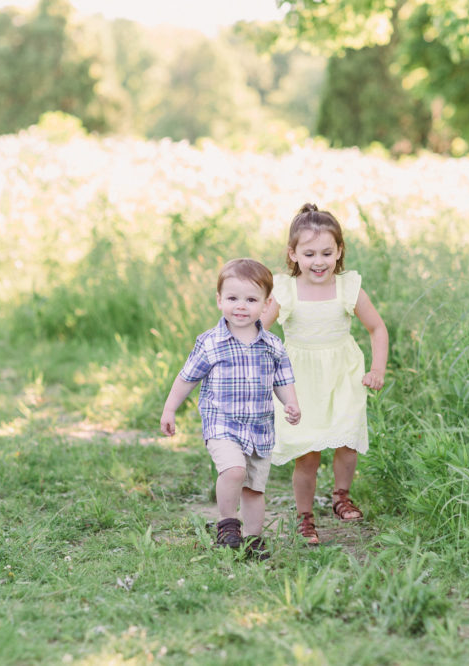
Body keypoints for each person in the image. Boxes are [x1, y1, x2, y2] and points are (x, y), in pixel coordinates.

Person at [261, 203, 389, 545]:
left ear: (339, 251)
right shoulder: (286, 289)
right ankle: (305, 517)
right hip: (299, 380)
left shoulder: (348, 287)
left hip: (343, 374)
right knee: (308, 452)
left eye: (327, 253)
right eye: (310, 253)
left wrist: (377, 368)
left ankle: (341, 495)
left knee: (347, 438)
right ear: (293, 254)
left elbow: (377, 328)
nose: (319, 261)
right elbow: (259, 329)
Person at [161, 258, 301, 559]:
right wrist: (170, 409)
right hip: (222, 424)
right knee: (234, 471)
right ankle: (227, 523)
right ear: (219, 300)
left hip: (260, 428)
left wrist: (291, 402)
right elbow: (187, 378)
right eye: (232, 298)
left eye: (251, 299)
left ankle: (253, 539)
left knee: (255, 489)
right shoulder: (211, 343)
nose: (241, 306)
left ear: (266, 304)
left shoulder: (273, 345)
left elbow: (283, 379)